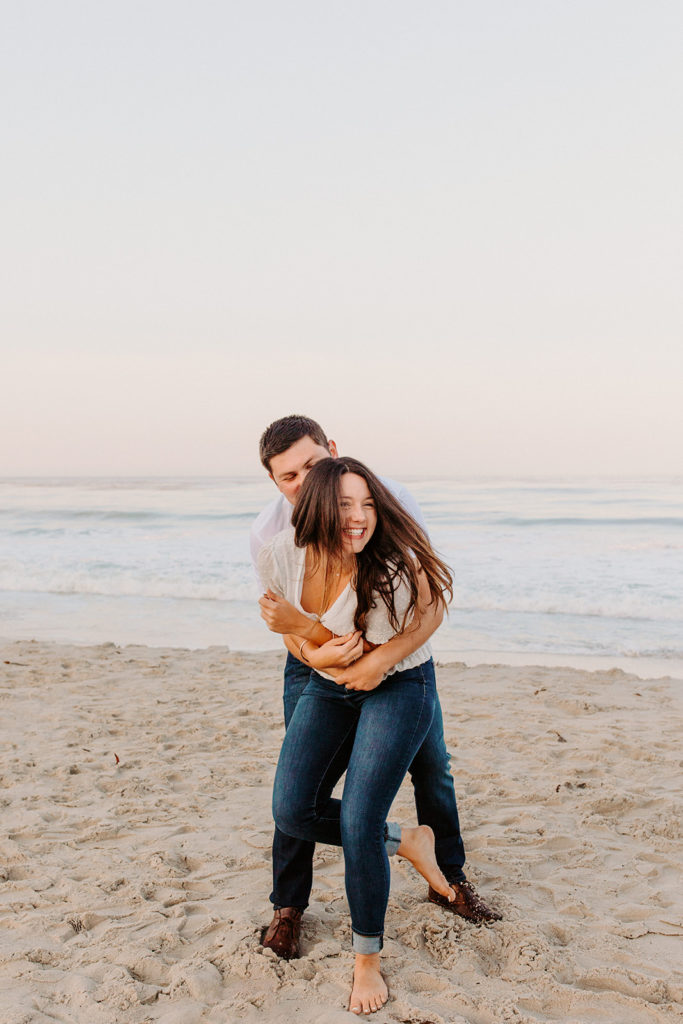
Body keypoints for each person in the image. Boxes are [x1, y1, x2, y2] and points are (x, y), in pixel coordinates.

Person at [250, 416, 500, 961]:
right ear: (275, 482)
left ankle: (449, 877)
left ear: (333, 452)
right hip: (313, 664)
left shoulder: (381, 504)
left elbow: (425, 605)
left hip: (396, 656)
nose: (305, 480)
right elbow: (285, 622)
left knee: (432, 765)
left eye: (313, 464)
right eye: (289, 475)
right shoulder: (272, 537)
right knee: (298, 789)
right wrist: (312, 650)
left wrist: (371, 661)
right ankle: (288, 907)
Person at [260, 456, 457, 1014]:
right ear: (317, 506)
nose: (360, 516)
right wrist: (308, 647)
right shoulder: (280, 555)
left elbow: (365, 661)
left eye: (368, 504)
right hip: (330, 675)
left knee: (358, 818)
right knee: (292, 809)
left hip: (398, 680)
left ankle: (367, 958)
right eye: (346, 504)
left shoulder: (388, 565)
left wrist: (306, 631)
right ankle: (409, 841)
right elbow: (290, 636)